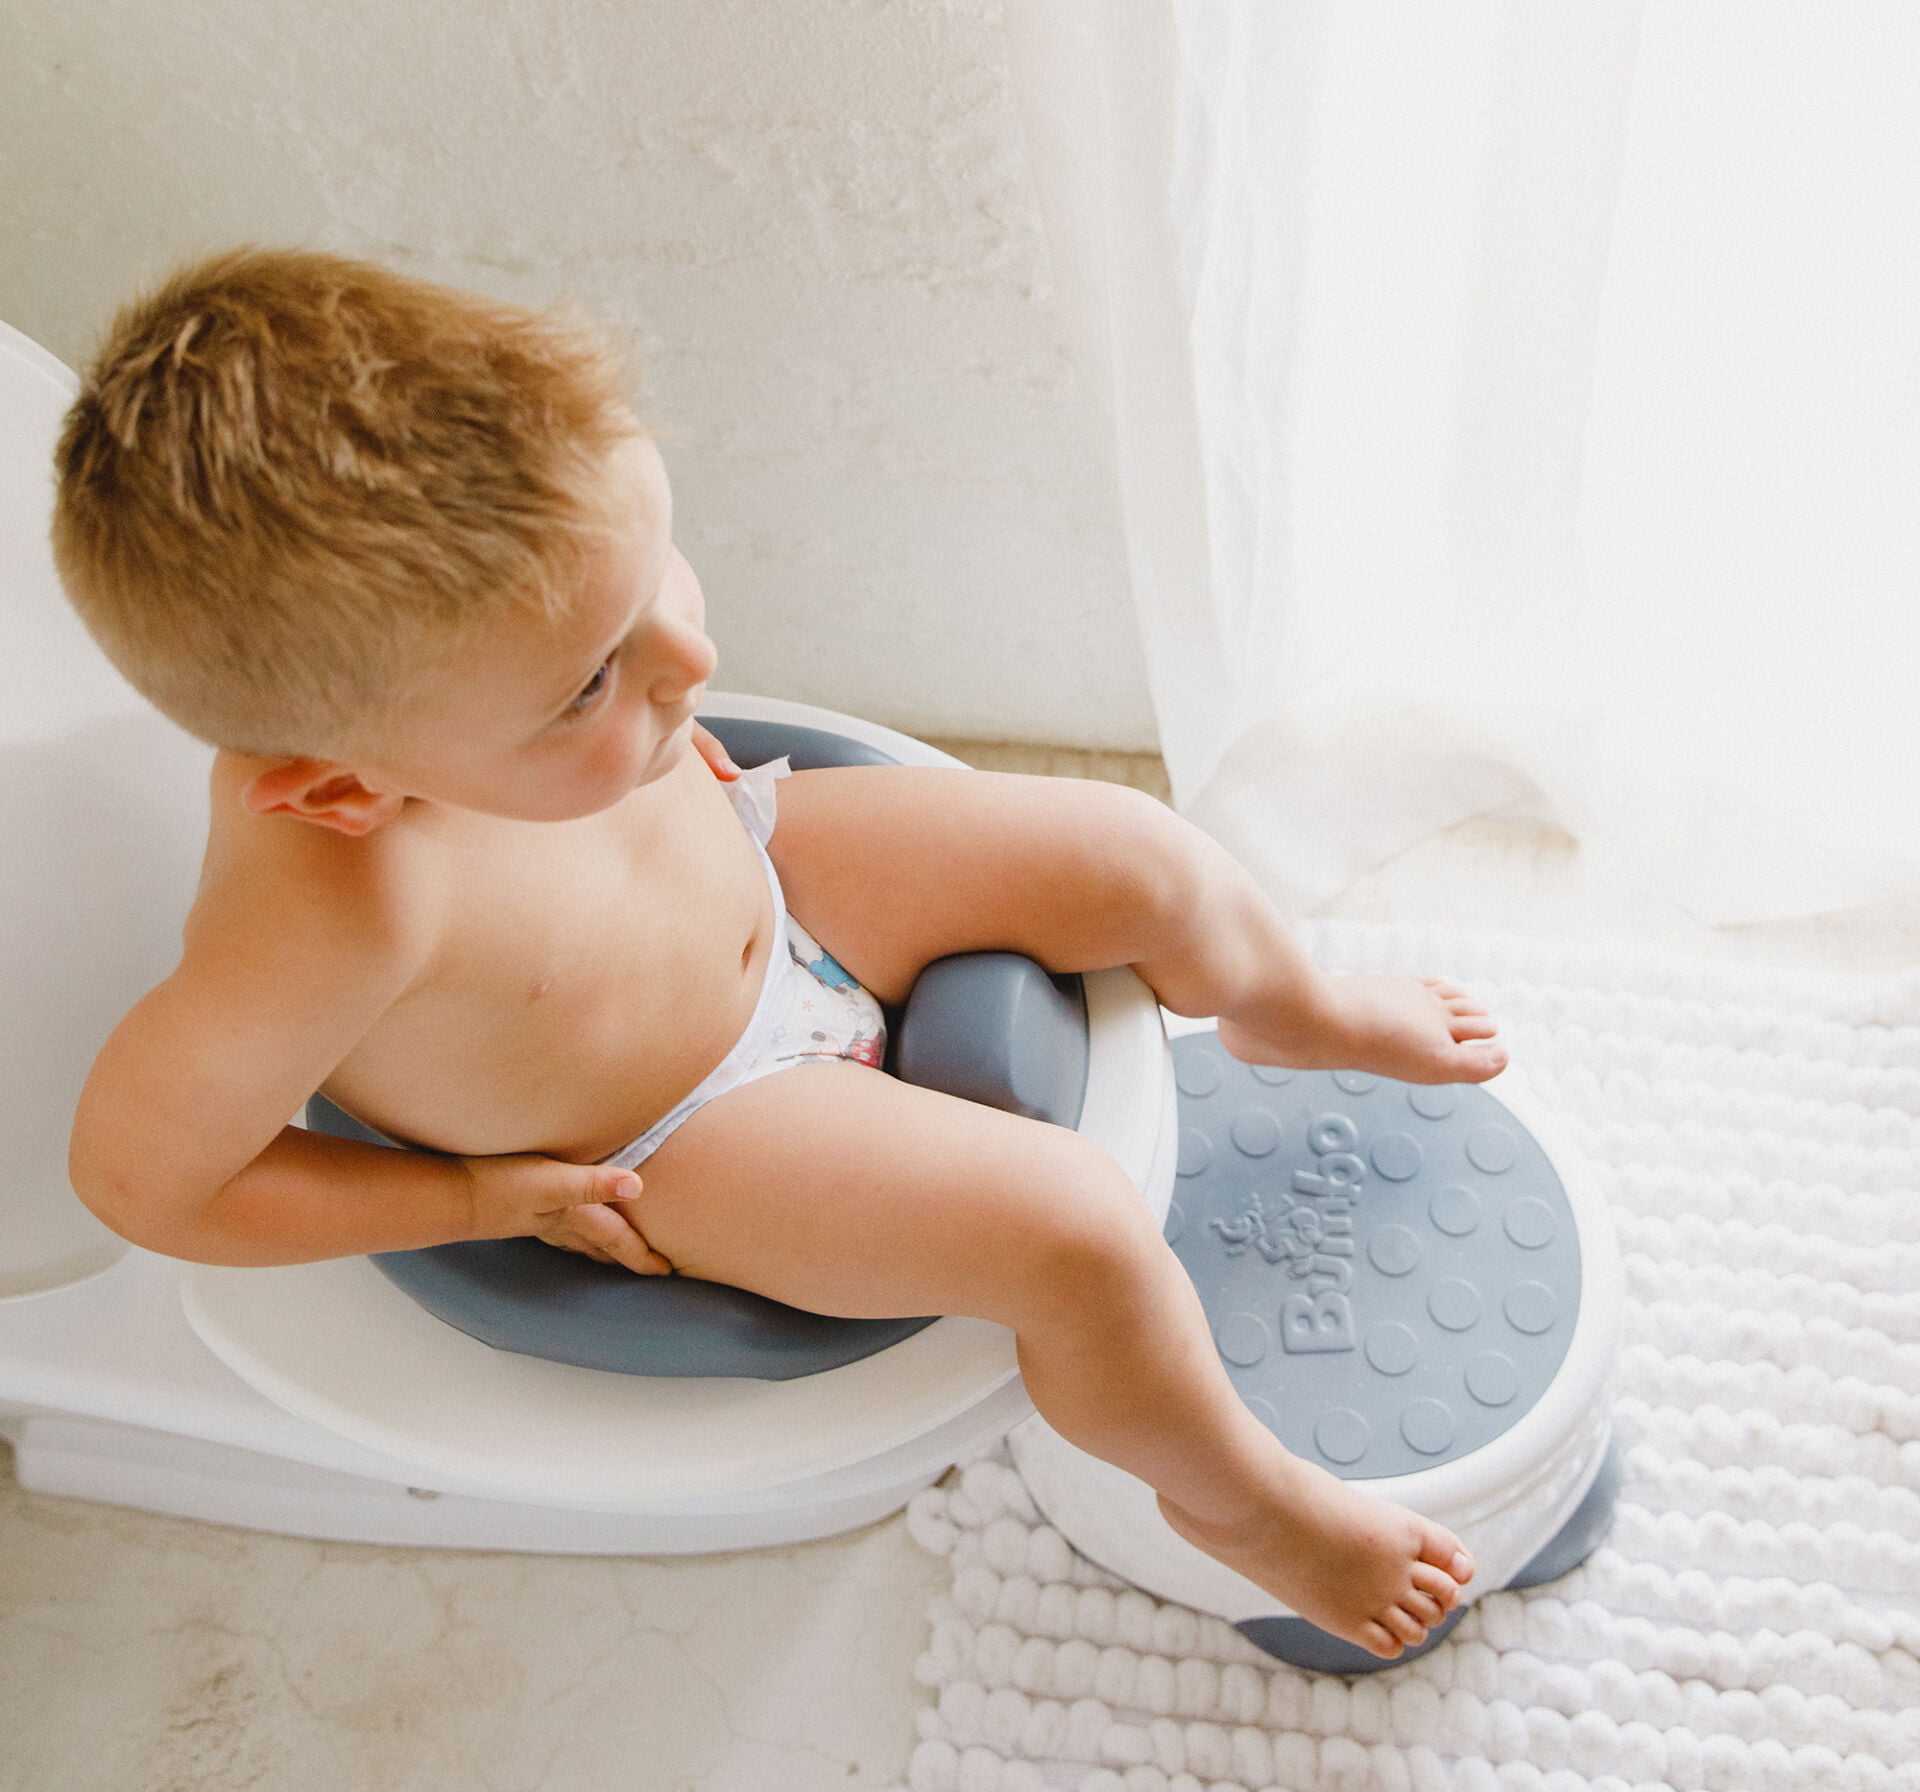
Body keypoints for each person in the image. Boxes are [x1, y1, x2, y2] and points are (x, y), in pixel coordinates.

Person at [57, 251, 1506, 1659]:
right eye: (591, 682)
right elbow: (144, 1182)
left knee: (1146, 857)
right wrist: (471, 1197)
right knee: (1074, 1234)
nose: (688, 660)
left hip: (764, 859)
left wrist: (645, 742)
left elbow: (631, 696)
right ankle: (1237, 1503)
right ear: (345, 791)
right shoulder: (330, 914)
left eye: (654, 569)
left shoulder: (499, 691)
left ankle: (1288, 1009)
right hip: (684, 1123)